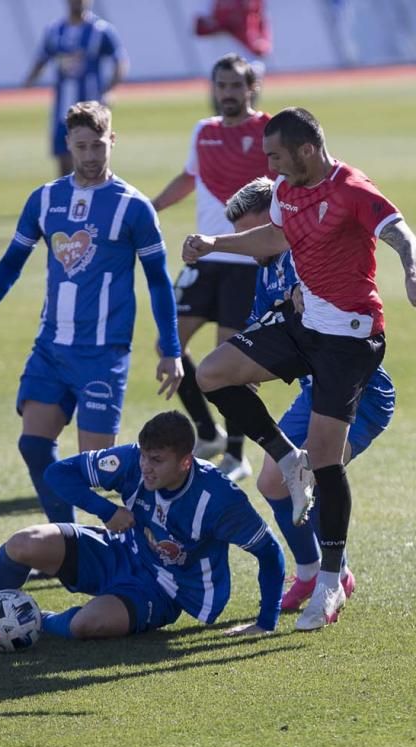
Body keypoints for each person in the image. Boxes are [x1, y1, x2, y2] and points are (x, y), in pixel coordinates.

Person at [183, 107, 416, 630]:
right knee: (216, 378)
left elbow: (403, 235)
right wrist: (216, 243)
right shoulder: (283, 201)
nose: (268, 165)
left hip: (353, 351)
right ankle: (295, 487)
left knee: (324, 464)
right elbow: (272, 241)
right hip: (308, 343)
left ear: (306, 150)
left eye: (275, 155)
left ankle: (330, 579)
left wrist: (414, 279)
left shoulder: (351, 188)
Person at [0, 101, 183, 527]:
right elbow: (12, 260)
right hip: (51, 346)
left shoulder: (134, 207)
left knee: (98, 470)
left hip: (103, 351)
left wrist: (171, 349)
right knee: (34, 445)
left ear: (112, 142)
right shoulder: (45, 199)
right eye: (82, 146)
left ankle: (144, 535)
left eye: (99, 145)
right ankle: (68, 537)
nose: (91, 156)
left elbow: (158, 281)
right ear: (68, 145)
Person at [0, 410, 284, 638]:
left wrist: (265, 622)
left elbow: (269, 551)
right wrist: (106, 510)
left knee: (87, 625)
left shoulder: (219, 499)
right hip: (118, 551)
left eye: (157, 460)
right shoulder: (132, 461)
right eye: (144, 456)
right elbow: (58, 473)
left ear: (186, 462)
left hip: (162, 591)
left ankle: (30, 619)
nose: (145, 467)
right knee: (23, 543)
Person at [223, 177, 396, 614]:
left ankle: (335, 577)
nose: (246, 244)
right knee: (272, 480)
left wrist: (310, 297)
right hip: (312, 392)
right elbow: (259, 328)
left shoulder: (307, 256)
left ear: (273, 220)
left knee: (316, 475)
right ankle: (308, 571)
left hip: (362, 394)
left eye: (251, 233)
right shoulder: (265, 271)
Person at [151, 54, 272, 482]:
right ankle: (207, 431)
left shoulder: (267, 132)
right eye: (221, 85)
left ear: (250, 88)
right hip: (204, 260)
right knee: (169, 344)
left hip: (246, 261)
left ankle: (238, 455)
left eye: (235, 85)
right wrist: (153, 207)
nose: (227, 93)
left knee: (231, 361)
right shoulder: (204, 132)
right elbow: (189, 177)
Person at [25, 0, 129, 177]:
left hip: (91, 105)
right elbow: (42, 57)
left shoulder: (100, 30)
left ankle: (95, 198)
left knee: (93, 157)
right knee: (64, 158)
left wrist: (109, 89)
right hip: (63, 105)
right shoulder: (55, 30)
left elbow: (120, 61)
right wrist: (29, 81)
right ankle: (66, 200)